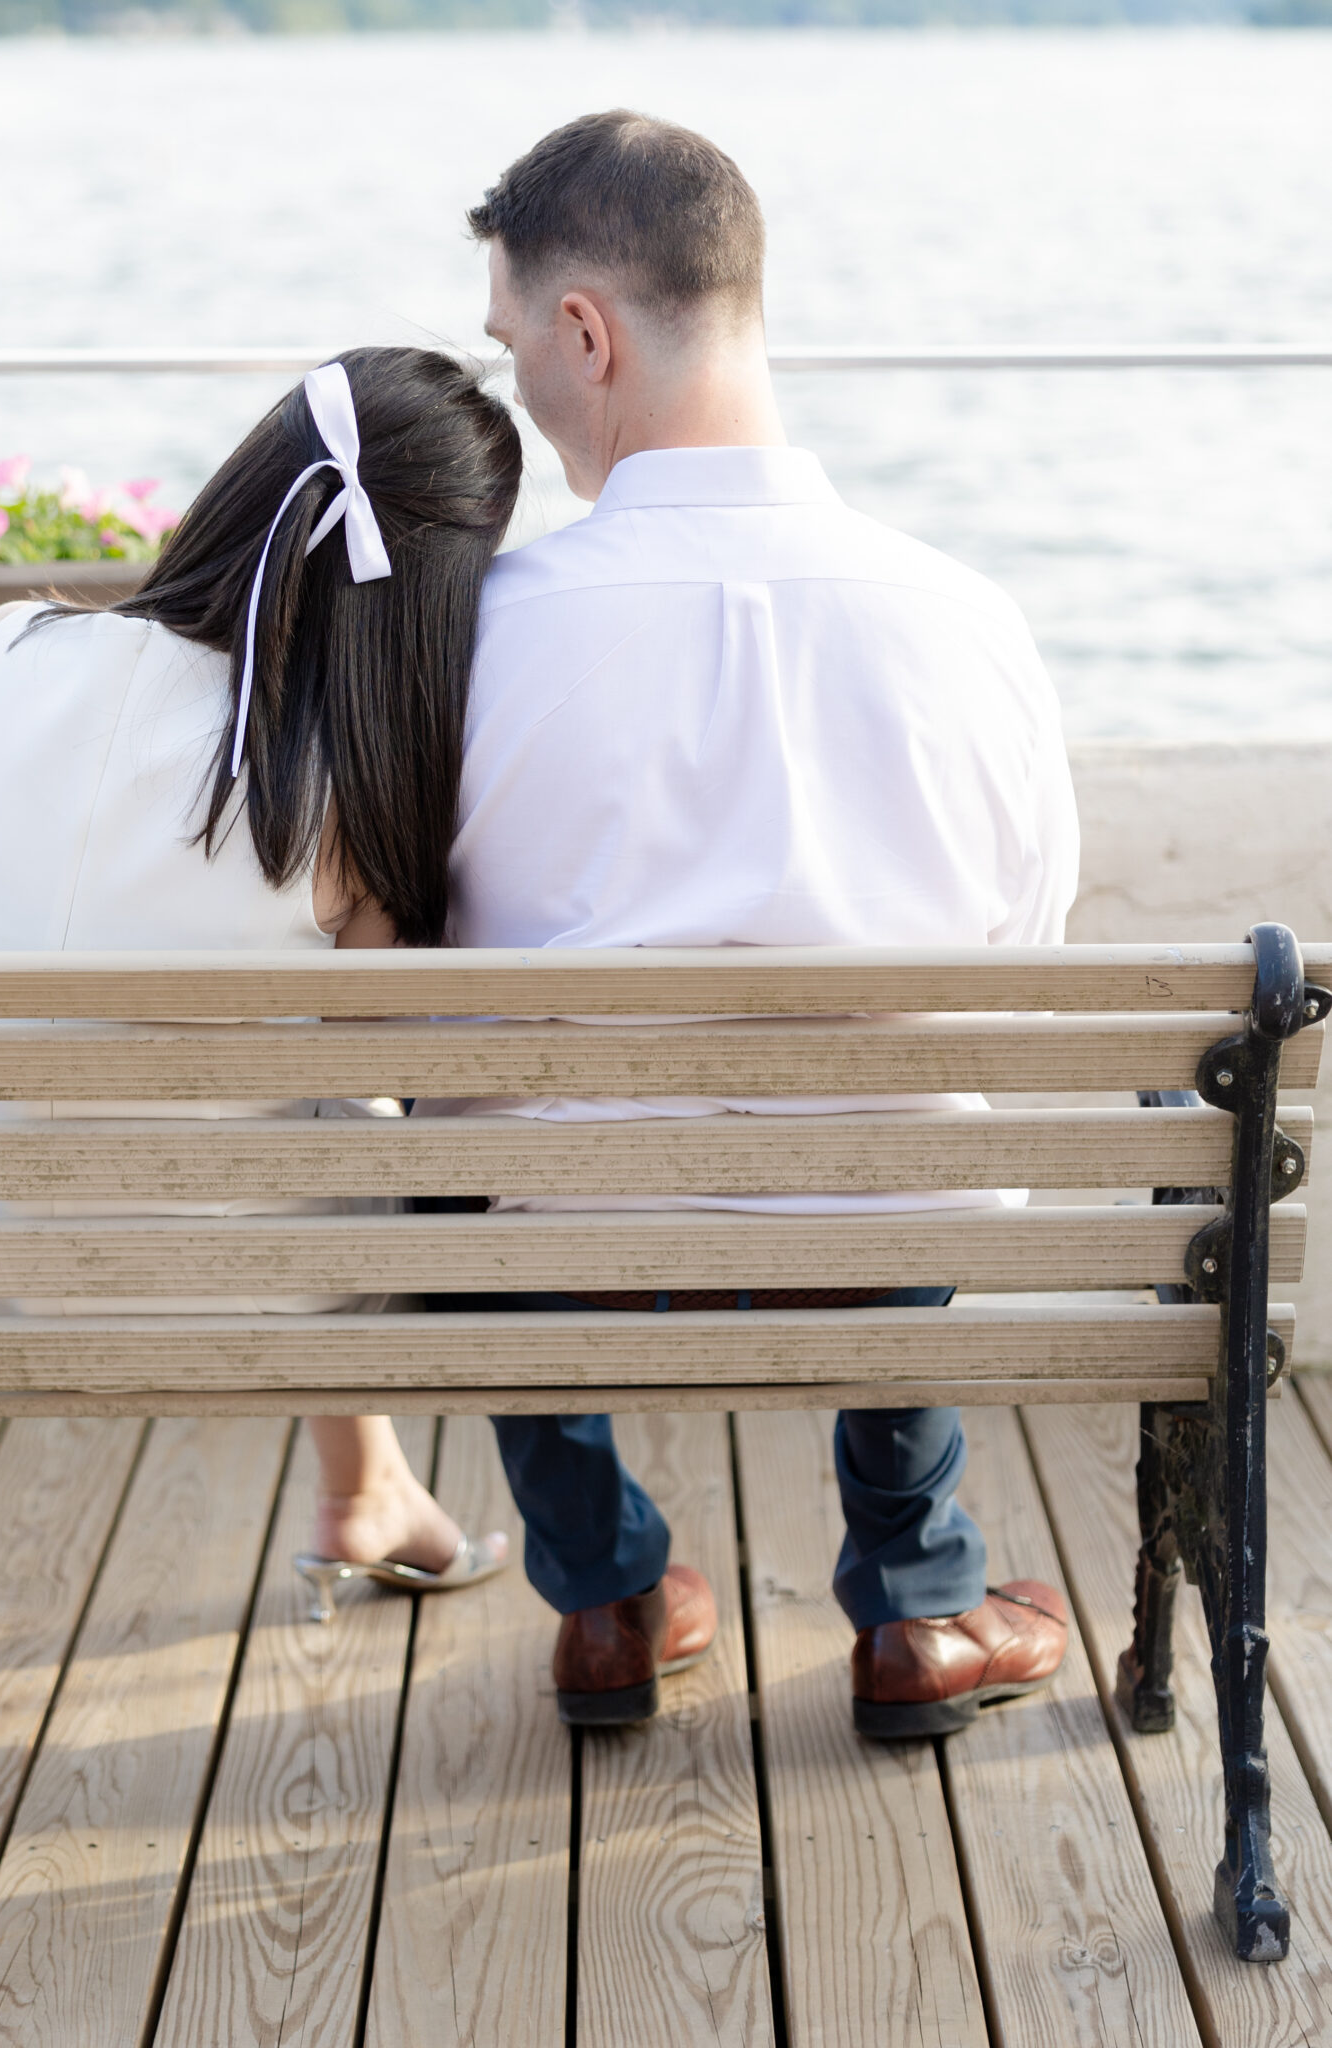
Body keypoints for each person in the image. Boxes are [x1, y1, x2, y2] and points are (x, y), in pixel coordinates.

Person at [450, 110, 1081, 1733]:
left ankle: (606, 1595)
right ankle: (919, 1603)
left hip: (571, 1259)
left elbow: (425, 981)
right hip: (883, 1245)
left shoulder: (483, 634)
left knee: (467, 1144)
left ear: (584, 331)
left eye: (511, 343)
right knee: (912, 1114)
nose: (516, 381)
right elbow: (1016, 964)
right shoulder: (967, 619)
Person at [0, 346, 521, 1607]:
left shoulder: (7, 648)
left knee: (263, 1101)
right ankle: (434, 1508)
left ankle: (369, 1490)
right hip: (231, 1292)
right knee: (365, 1118)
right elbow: (388, 1065)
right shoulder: (342, 794)